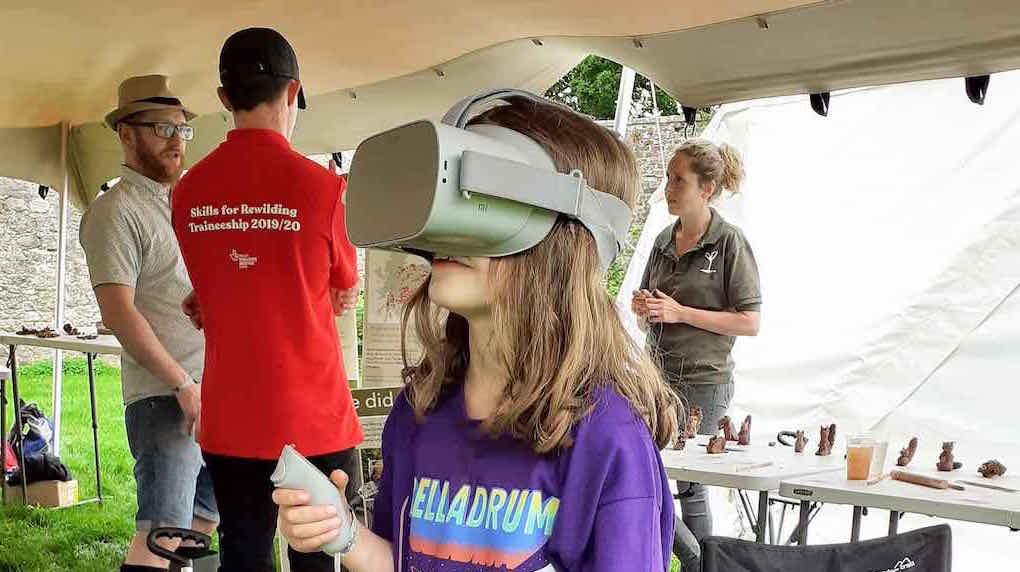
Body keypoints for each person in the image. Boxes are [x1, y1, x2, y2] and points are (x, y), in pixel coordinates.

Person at [273, 94, 684, 571]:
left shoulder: (607, 437)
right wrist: (345, 534)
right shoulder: (418, 412)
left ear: (566, 243)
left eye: (486, 204)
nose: (452, 234)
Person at [169, 28, 361, 572]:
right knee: (319, 557)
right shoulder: (324, 189)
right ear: (293, 90)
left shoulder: (188, 192)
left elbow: (216, 284)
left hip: (232, 416)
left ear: (225, 98)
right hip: (313, 414)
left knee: (245, 552)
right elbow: (345, 285)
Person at [79, 74, 217, 572]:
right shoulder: (114, 211)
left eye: (182, 129)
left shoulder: (187, 202)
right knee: (162, 535)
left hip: (210, 389)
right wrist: (182, 384)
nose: (176, 139)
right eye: (161, 128)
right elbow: (118, 312)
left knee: (202, 523)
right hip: (165, 395)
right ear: (125, 134)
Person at [631, 139, 761, 548]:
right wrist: (645, 307)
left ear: (706, 189)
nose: (668, 187)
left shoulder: (729, 243)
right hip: (656, 379)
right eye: (669, 178)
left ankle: (700, 564)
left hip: (705, 382)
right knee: (646, 474)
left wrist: (680, 313)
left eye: (678, 180)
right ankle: (685, 559)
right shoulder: (662, 241)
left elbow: (750, 322)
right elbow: (648, 313)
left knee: (689, 486)